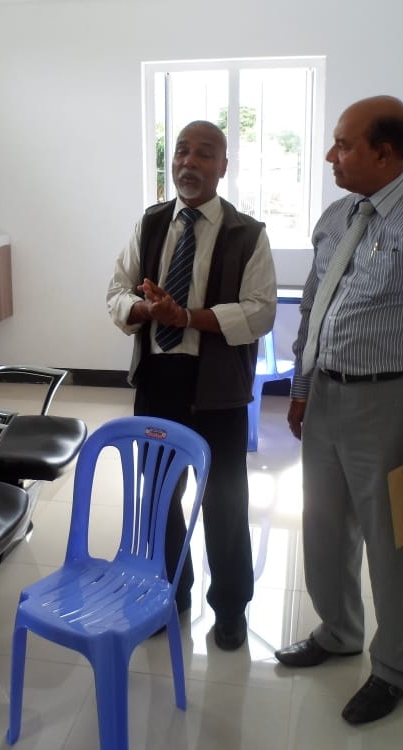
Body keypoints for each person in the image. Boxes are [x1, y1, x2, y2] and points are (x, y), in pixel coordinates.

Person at [275, 96, 403, 724]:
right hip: (327, 394)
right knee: (323, 524)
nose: (331, 155)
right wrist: (301, 386)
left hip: (393, 401)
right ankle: (338, 631)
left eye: (344, 144)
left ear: (385, 153)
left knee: (393, 540)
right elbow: (314, 307)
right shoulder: (337, 216)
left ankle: (393, 668)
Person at [107, 120, 277, 651]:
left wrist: (187, 318)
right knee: (159, 497)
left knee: (224, 501)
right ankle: (168, 594)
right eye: (182, 151)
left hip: (218, 388)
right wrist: (146, 310)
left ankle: (230, 607)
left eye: (205, 153)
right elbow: (115, 292)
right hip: (159, 381)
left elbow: (261, 312)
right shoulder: (151, 222)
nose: (189, 162)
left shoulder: (248, 233)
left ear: (223, 166)